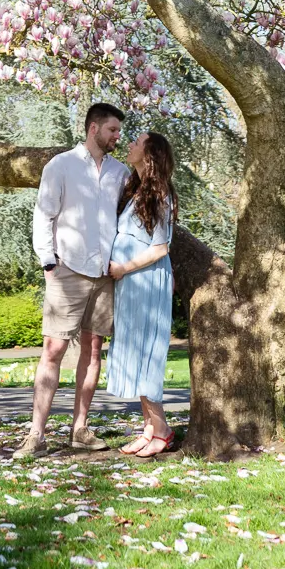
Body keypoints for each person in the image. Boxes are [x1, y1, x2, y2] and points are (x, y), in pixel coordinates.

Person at [12, 101, 129, 459]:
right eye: (112, 130)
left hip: (104, 276)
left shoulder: (120, 172)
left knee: (93, 352)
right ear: (94, 129)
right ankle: (36, 435)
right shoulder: (60, 165)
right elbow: (44, 215)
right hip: (67, 271)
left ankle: (80, 429)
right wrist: (48, 263)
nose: (117, 137)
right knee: (54, 350)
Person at [105, 130, 178, 458]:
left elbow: (161, 248)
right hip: (130, 285)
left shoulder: (160, 192)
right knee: (134, 352)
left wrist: (123, 268)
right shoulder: (133, 189)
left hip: (146, 282)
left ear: (149, 156)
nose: (129, 144)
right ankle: (149, 427)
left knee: (146, 354)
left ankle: (162, 429)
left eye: (136, 142)